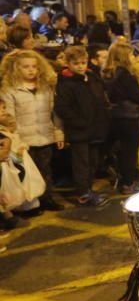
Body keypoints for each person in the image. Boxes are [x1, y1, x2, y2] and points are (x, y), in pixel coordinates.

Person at [0, 50, 64, 211]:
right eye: (25, 67)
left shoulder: (46, 88)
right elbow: (9, 117)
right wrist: (15, 139)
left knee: (45, 169)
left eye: (34, 66)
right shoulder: (10, 90)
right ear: (16, 68)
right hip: (24, 139)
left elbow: (54, 113)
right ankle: (30, 204)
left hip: (45, 135)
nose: (30, 70)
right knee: (27, 173)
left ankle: (47, 198)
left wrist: (58, 133)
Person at [54, 46, 109, 207]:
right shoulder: (65, 82)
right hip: (80, 131)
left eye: (83, 62)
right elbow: (63, 108)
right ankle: (83, 193)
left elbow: (100, 98)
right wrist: (80, 123)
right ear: (68, 63)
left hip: (95, 128)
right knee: (81, 164)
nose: (80, 66)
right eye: (76, 63)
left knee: (92, 162)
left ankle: (89, 189)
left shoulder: (91, 77)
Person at [102, 41, 139, 194]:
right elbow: (137, 97)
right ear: (125, 57)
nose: (134, 56)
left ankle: (124, 179)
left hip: (114, 116)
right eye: (131, 54)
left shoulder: (108, 73)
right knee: (130, 151)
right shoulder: (126, 75)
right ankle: (129, 183)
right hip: (129, 116)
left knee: (121, 150)